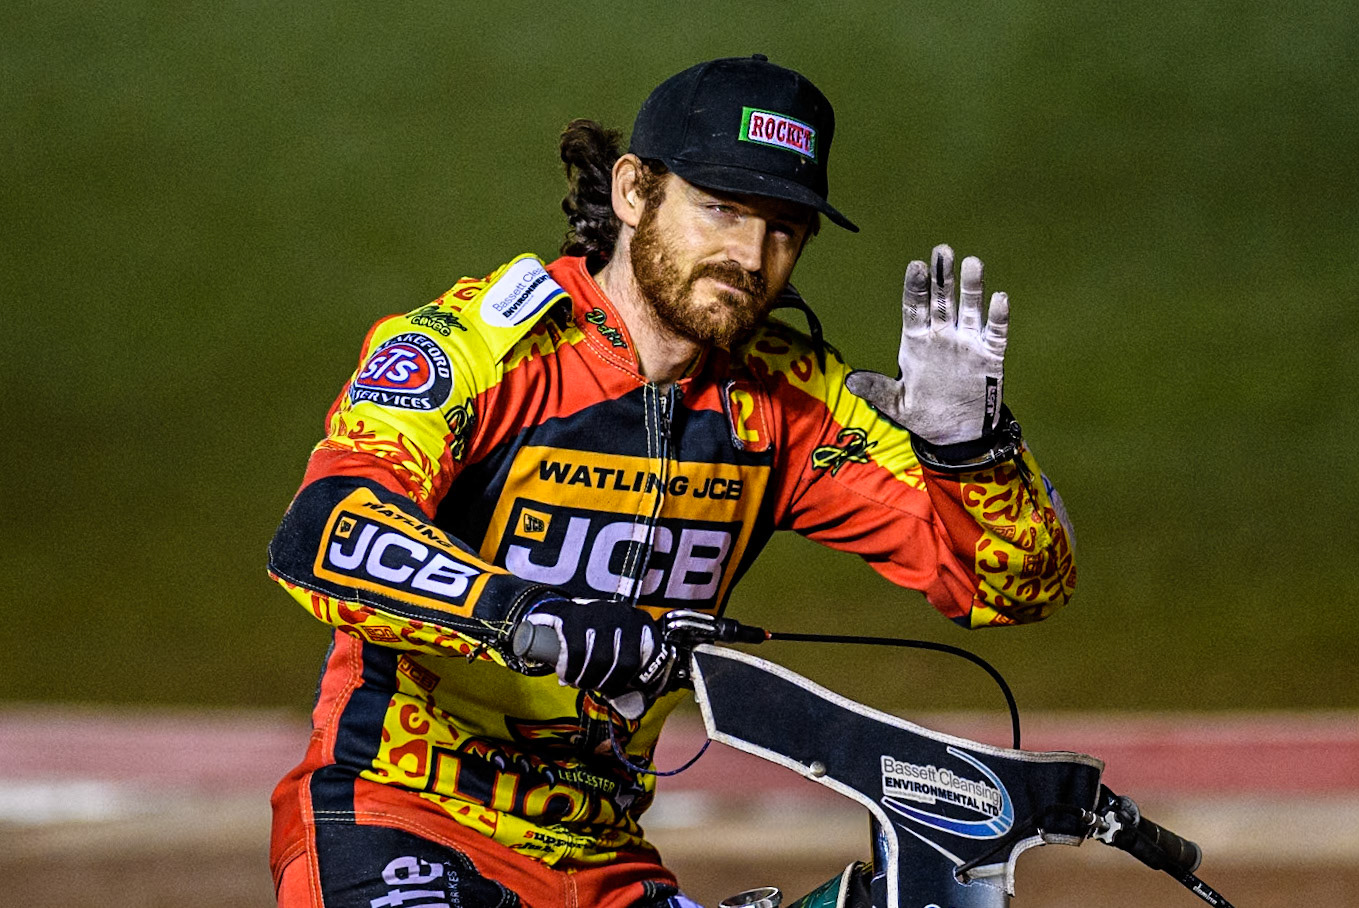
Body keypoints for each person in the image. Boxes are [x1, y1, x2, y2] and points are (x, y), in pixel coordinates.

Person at [266, 54, 1077, 908]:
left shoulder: (790, 404)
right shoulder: (479, 348)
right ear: (632, 191)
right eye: (720, 208)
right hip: (398, 820)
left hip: (602, 861)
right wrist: (526, 616)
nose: (750, 256)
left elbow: (1014, 584)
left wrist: (970, 451)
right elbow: (324, 533)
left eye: (784, 227)